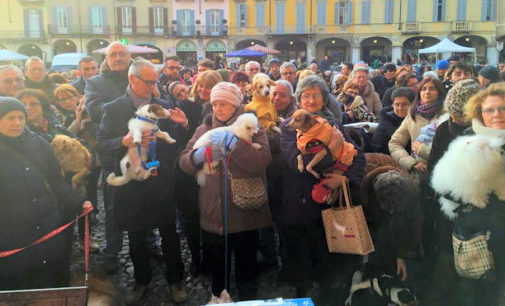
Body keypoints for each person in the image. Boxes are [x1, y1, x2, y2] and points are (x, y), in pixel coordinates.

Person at [97, 59, 189, 304]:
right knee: (136, 235)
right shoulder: (114, 108)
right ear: (132, 79)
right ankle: (142, 279)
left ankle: (175, 278)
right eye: (148, 82)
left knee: (170, 233)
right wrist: (123, 142)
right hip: (132, 185)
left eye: (155, 81)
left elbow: (177, 142)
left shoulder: (164, 105)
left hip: (160, 182)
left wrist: (183, 125)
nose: (153, 86)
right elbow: (101, 145)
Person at [179, 82, 272, 300]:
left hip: (244, 210)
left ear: (236, 105)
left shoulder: (251, 125)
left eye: (223, 104)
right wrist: (197, 157)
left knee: (247, 268)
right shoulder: (204, 128)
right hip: (213, 212)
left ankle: (249, 301)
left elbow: (262, 160)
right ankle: (219, 300)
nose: (218, 109)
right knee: (218, 271)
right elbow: (184, 160)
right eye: (214, 104)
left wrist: (234, 144)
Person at [279, 75, 365, 301]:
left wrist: (344, 177)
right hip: (302, 202)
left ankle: (330, 295)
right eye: (306, 96)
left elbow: (357, 155)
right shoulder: (290, 125)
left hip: (332, 203)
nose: (310, 100)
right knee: (304, 259)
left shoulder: (333, 124)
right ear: (299, 99)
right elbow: (297, 160)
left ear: (324, 99)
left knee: (331, 257)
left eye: (316, 95)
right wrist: (334, 152)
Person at [0, 97, 92, 290]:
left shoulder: (40, 144)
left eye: (20, 117)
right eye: (9, 118)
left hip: (48, 227)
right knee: (18, 286)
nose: (17, 123)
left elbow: (55, 181)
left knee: (51, 281)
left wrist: (78, 201)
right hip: (10, 235)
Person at [430, 82, 505, 306]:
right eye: (489, 110)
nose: (497, 114)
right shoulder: (468, 139)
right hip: (479, 233)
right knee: (481, 293)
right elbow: (442, 185)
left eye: (502, 108)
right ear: (479, 113)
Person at [424, 79, 480, 306]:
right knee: (447, 252)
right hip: (449, 206)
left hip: (480, 211)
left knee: (474, 261)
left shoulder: (486, 134)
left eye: (459, 116)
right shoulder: (444, 129)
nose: (454, 121)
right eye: (452, 115)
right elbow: (434, 168)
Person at [84, 41, 132, 272]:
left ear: (129, 56)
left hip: (141, 151)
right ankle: (111, 252)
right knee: (113, 208)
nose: (118, 57)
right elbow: (94, 111)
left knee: (146, 200)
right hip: (112, 153)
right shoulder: (95, 82)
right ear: (107, 59)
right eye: (113, 54)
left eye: (122, 53)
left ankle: (150, 243)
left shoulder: (139, 74)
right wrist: (129, 106)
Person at [388, 78, 446, 172]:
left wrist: (422, 150)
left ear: (439, 92)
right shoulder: (412, 116)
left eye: (432, 89)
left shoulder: (448, 116)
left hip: (443, 173)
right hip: (419, 175)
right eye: (423, 89)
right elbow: (394, 143)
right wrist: (411, 163)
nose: (427, 92)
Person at [372, 87, 415, 154]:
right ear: (392, 105)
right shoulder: (387, 120)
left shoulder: (418, 119)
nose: (400, 108)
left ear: (413, 104)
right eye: (397, 104)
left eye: (404, 104)